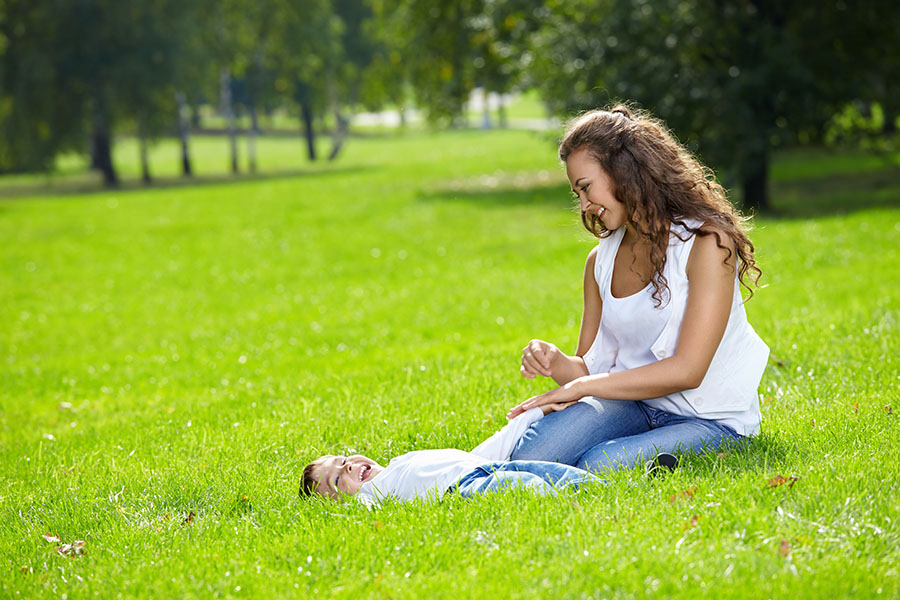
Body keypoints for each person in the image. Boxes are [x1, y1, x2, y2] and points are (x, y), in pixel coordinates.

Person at [506, 104, 769, 473]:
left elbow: (688, 371)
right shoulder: (599, 261)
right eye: (576, 194)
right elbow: (589, 370)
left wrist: (580, 390)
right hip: (633, 406)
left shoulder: (707, 244)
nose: (584, 206)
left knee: (600, 464)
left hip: (708, 419)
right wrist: (557, 363)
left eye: (586, 188)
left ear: (624, 172)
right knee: (532, 457)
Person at [298, 405, 603, 507]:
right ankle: (564, 506)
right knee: (521, 483)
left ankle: (601, 492)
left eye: (342, 459)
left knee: (549, 472)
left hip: (486, 466)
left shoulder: (400, 462)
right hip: (464, 488)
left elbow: (481, 452)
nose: (348, 466)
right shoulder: (372, 497)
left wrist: (533, 413)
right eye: (337, 479)